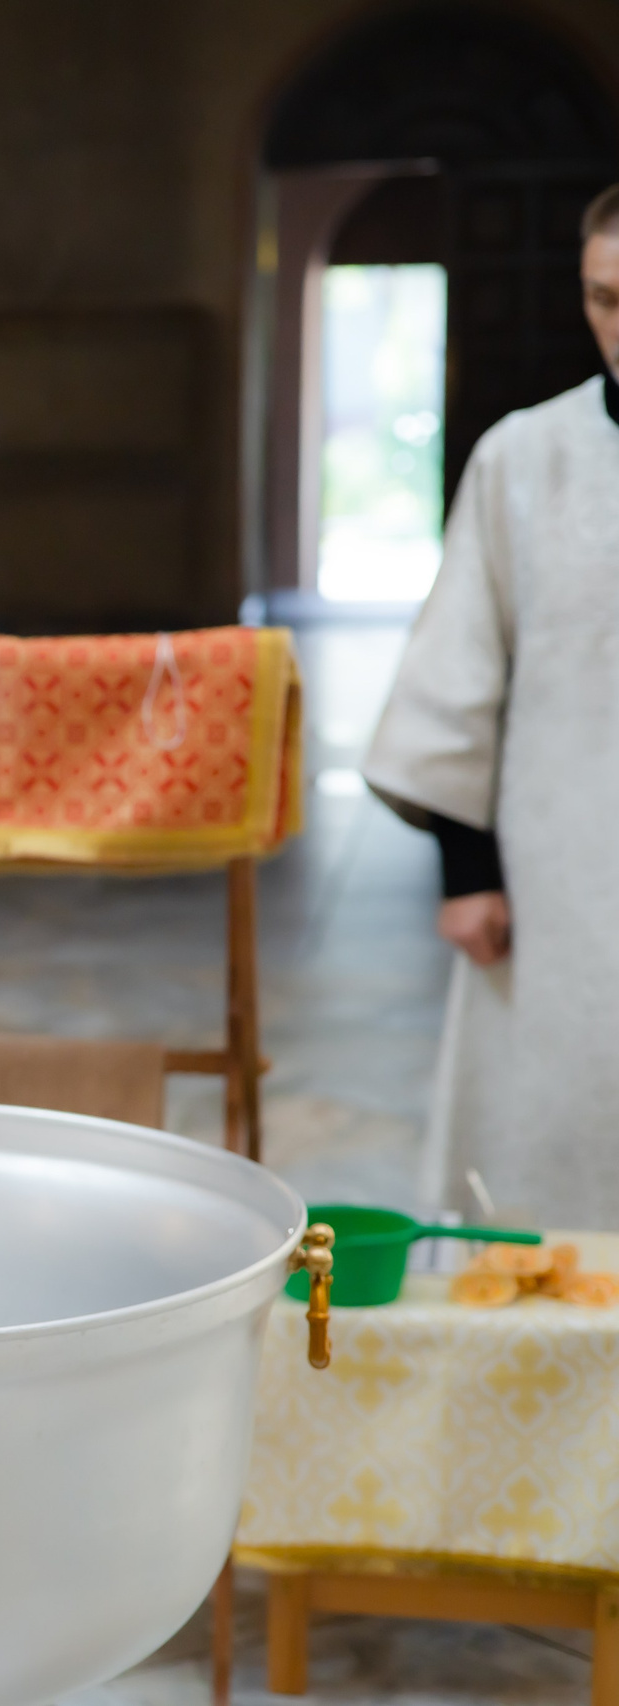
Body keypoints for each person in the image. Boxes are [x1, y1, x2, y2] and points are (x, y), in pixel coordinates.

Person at [364, 181, 619, 1230]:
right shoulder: (524, 456)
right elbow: (456, 669)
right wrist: (466, 871)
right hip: (561, 871)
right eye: (604, 298)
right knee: (549, 1127)